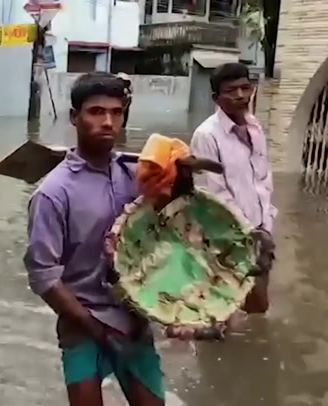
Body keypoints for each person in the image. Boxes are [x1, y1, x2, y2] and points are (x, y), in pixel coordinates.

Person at [24, 72, 166, 406]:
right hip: (82, 323)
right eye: (96, 112)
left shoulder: (135, 174)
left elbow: (171, 226)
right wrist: (97, 330)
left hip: (133, 319)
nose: (108, 122)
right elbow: (44, 277)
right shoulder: (53, 193)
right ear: (75, 117)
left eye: (116, 113)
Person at [189, 62, 275, 317]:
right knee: (225, 307)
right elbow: (213, 195)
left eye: (245, 88)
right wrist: (249, 234)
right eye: (231, 91)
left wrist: (266, 227)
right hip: (226, 237)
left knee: (256, 307)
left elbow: (263, 179)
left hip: (260, 232)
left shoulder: (255, 127)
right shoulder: (206, 135)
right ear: (216, 98)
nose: (240, 96)